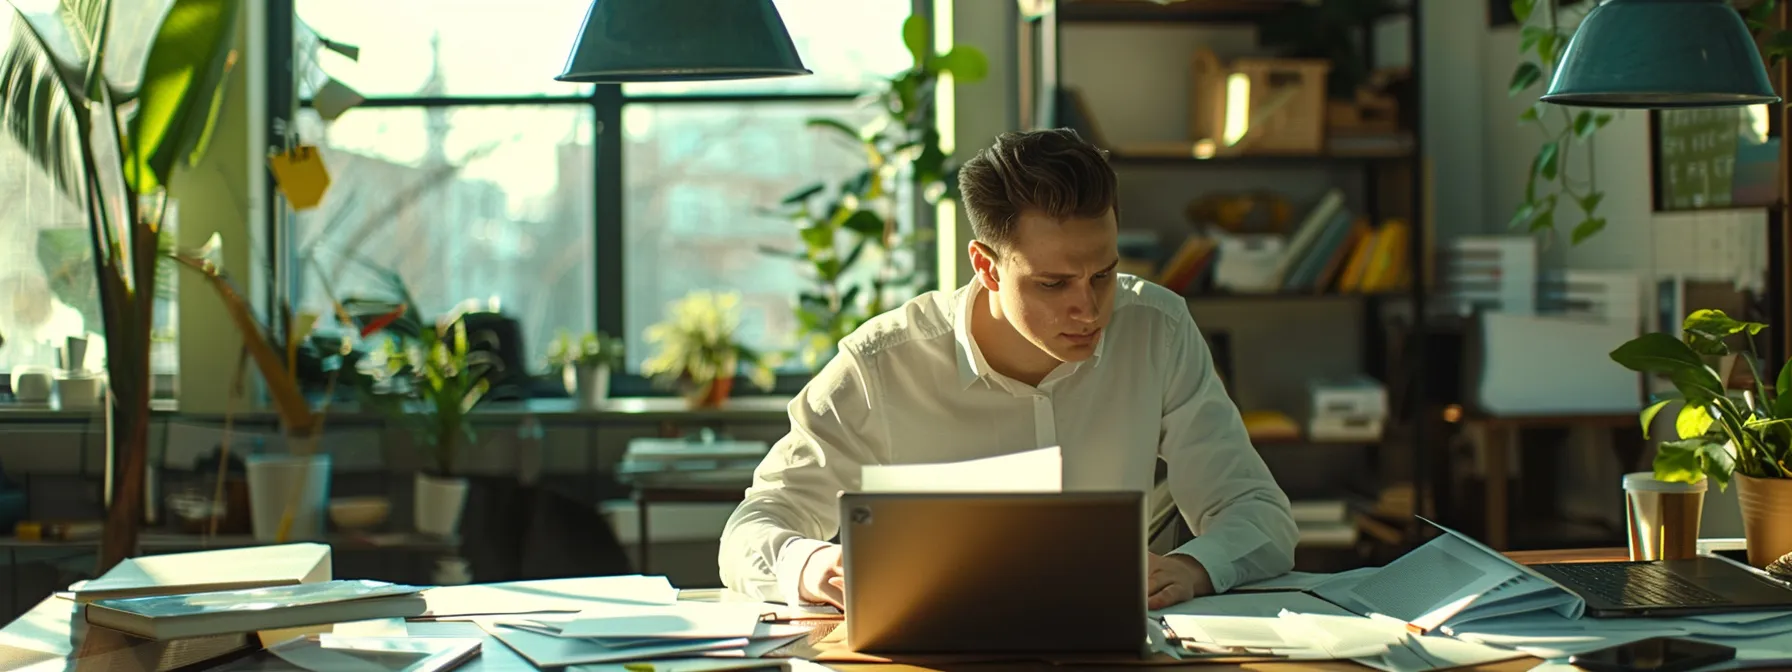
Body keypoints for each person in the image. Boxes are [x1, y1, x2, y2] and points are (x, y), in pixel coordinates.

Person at [717, 128, 1297, 611]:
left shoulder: (1158, 329)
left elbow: (1257, 512)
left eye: (1103, 275)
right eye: (1053, 284)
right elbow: (751, 530)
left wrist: (1193, 567)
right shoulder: (881, 365)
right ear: (986, 268)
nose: (1090, 309)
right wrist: (814, 562)